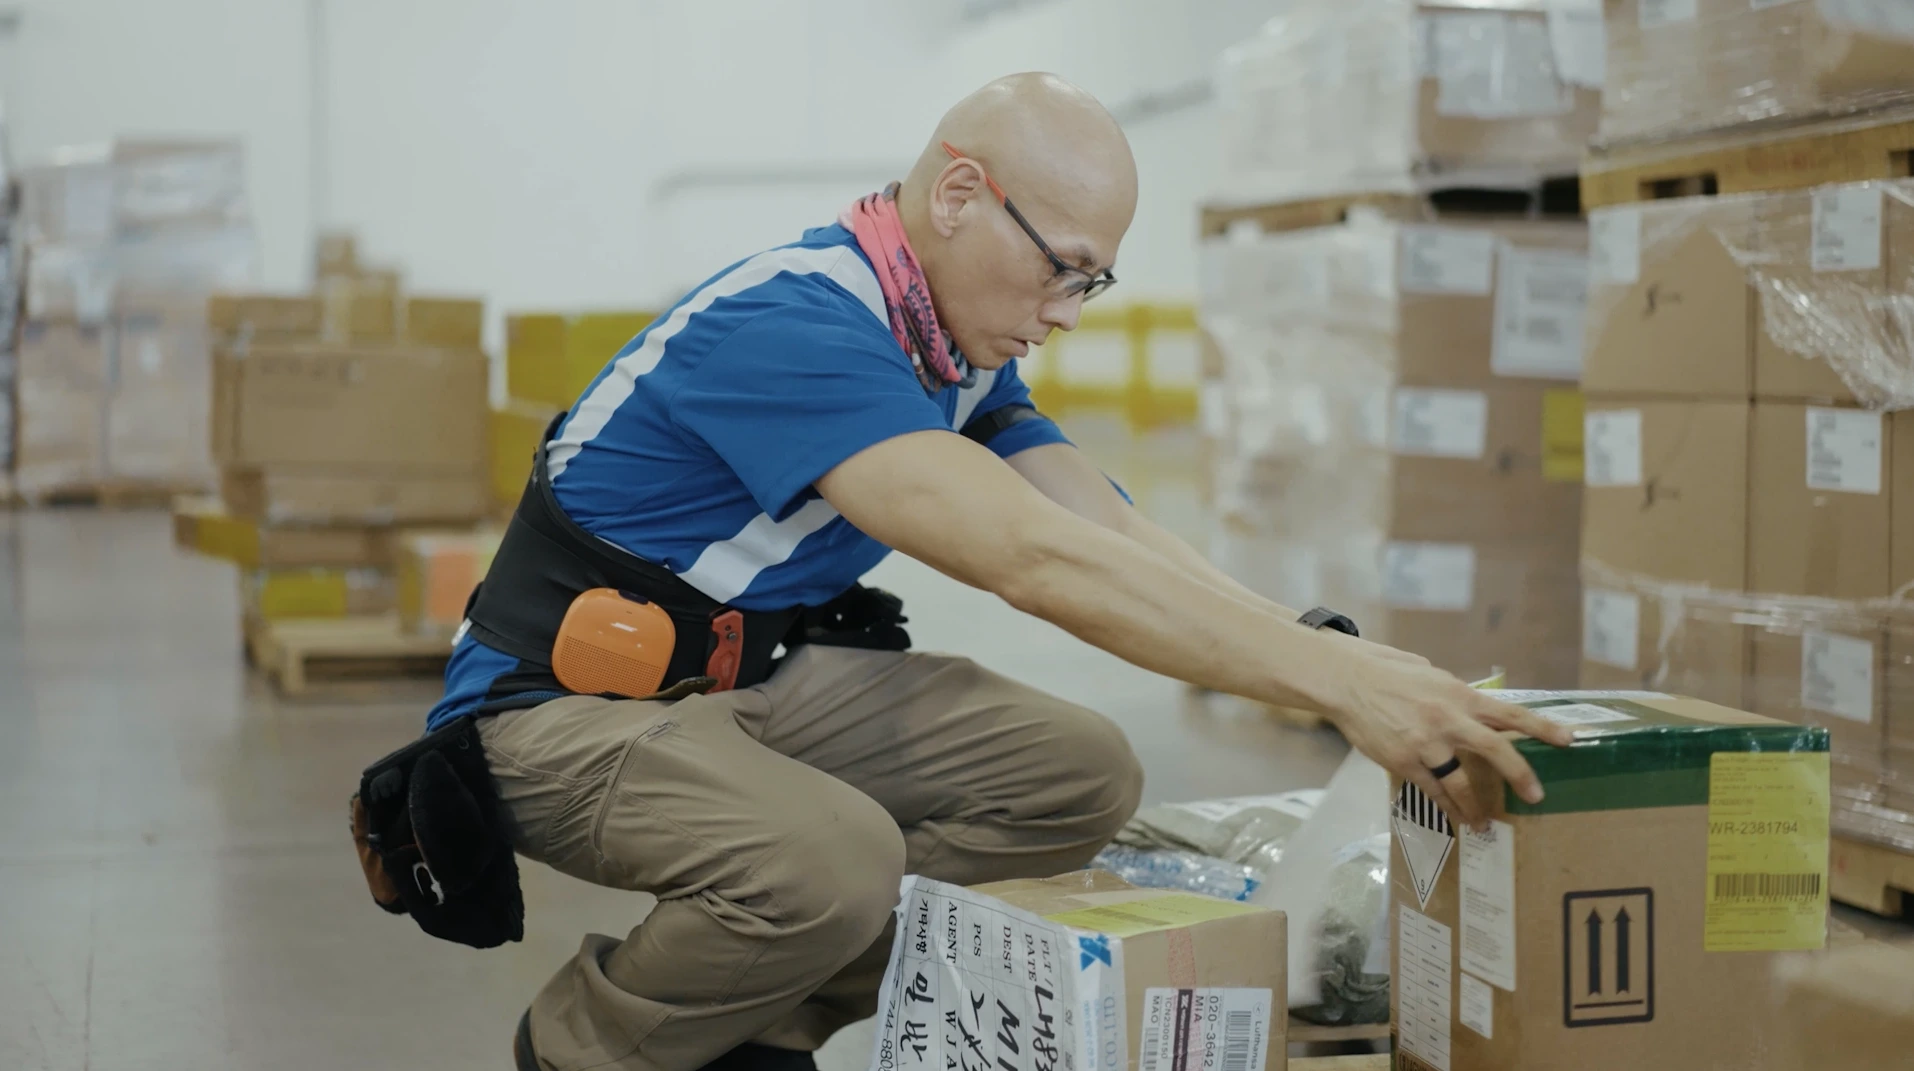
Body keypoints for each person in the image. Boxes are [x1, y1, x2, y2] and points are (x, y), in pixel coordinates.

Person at [428, 72, 1574, 1071]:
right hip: (560, 712)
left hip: (740, 688)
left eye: (1094, 286)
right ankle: (593, 1045)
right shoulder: (793, 327)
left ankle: (759, 1026)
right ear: (961, 196)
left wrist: (1334, 653)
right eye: (1063, 272)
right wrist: (1338, 695)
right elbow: (1030, 560)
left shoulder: (953, 352)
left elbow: (1110, 535)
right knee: (834, 861)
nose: (1067, 316)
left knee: (1072, 775)